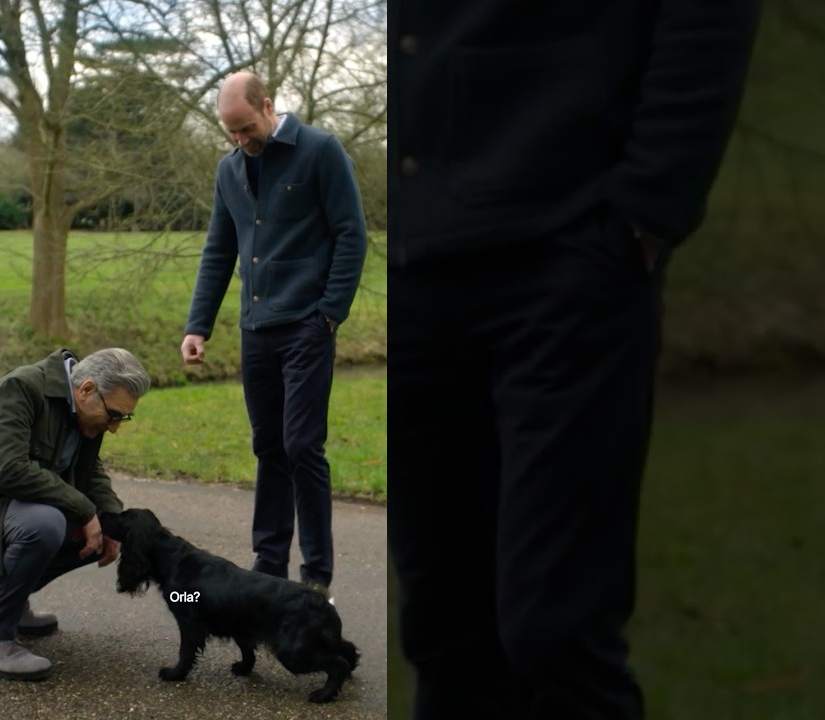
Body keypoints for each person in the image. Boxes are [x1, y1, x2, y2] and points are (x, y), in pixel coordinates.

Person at [389, 3, 761, 718]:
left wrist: (648, 211)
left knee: (557, 635)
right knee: (444, 634)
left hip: (567, 255)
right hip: (411, 271)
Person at [180, 72, 368, 601]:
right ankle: (268, 564)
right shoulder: (229, 170)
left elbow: (351, 234)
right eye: (231, 132)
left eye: (246, 128)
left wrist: (329, 313)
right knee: (268, 446)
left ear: (267, 105)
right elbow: (219, 249)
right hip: (255, 329)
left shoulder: (320, 151)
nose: (241, 139)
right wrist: (198, 325)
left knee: (302, 445)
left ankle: (316, 575)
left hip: (308, 325)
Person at [0, 347, 151, 680]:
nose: (114, 427)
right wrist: (85, 511)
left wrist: (111, 517)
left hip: (12, 509)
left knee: (108, 529)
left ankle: (6, 604)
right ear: (86, 389)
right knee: (45, 525)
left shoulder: (83, 413)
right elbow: (8, 471)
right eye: (114, 415)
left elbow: (91, 471)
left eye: (123, 418)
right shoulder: (20, 389)